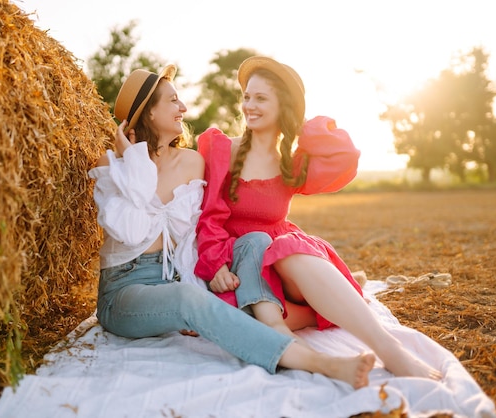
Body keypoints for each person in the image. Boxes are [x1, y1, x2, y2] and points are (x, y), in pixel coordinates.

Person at [87, 64, 376, 389]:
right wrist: (135, 161)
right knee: (187, 300)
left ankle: (295, 311)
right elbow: (131, 229)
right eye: (172, 101)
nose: (183, 107)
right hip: (125, 290)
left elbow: (197, 232)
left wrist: (210, 274)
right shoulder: (113, 165)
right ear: (148, 113)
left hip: (176, 275)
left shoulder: (192, 162)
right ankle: (318, 362)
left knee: (252, 241)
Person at [195, 56, 442, 380]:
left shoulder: (293, 163)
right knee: (236, 317)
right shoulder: (222, 148)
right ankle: (321, 304)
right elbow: (209, 217)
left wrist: (298, 123)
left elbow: (344, 157)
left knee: (284, 247)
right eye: (247, 96)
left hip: (285, 263)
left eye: (261, 98)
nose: (248, 106)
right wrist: (216, 265)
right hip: (241, 263)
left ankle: (391, 352)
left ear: (283, 106)